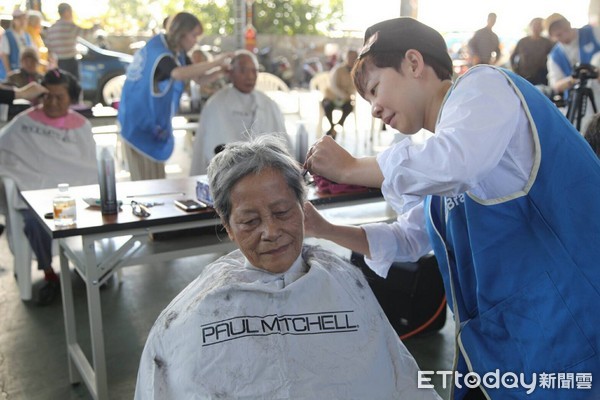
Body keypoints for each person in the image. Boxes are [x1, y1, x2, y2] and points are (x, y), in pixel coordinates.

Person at [303, 17, 600, 399]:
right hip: (505, 342)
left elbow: (457, 163)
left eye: (375, 89)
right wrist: (322, 228)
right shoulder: (440, 165)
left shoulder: (485, 87)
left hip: (571, 329)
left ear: (413, 63)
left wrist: (350, 167)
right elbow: (408, 238)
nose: (375, 109)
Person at [135, 135, 441, 400]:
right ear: (228, 226)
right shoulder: (191, 313)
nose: (270, 231)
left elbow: (402, 383)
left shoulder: (345, 284)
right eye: (249, 221)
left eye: (282, 212)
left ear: (303, 208)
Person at [0, 69, 97, 306]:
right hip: (32, 195)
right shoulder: (24, 122)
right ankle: (49, 274)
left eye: (59, 97)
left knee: (96, 218)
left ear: (71, 99)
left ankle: (93, 269)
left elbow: (89, 165)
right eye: (47, 96)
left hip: (76, 195)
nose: (52, 102)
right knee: (34, 222)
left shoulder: (81, 125)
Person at [118, 12, 231, 181]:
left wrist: (221, 71)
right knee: (145, 182)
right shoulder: (159, 51)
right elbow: (178, 73)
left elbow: (198, 79)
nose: (195, 41)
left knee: (156, 179)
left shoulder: (178, 51)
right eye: (193, 36)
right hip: (138, 122)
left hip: (152, 122)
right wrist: (215, 61)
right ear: (181, 32)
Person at [189, 50, 289, 175]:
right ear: (230, 73)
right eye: (243, 71)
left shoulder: (269, 104)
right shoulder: (215, 105)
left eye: (254, 71)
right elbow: (206, 151)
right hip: (226, 176)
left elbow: (283, 148)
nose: (250, 76)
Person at [545, 13, 600, 131]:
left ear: (569, 24)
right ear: (552, 36)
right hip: (577, 104)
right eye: (558, 35)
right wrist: (576, 78)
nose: (564, 36)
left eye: (565, 30)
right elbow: (556, 85)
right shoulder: (554, 56)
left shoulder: (593, 33)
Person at [44, 3, 98, 80]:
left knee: (63, 84)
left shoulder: (52, 28)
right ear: (66, 12)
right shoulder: (70, 26)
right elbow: (86, 33)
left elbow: (49, 46)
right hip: (70, 61)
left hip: (58, 62)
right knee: (74, 85)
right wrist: (96, 26)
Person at [321, 49, 358, 138]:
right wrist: (343, 94)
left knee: (349, 107)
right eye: (350, 57)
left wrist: (349, 94)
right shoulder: (338, 69)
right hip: (332, 97)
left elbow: (356, 87)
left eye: (354, 57)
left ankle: (335, 128)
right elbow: (333, 86)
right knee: (327, 106)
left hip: (346, 99)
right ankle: (333, 128)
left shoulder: (357, 72)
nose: (352, 59)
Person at [510, 17, 555, 86]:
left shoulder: (547, 43)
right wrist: (515, 71)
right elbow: (512, 57)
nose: (536, 27)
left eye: (539, 25)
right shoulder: (522, 41)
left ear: (542, 28)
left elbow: (553, 58)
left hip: (541, 78)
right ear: (530, 26)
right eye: (534, 25)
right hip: (523, 76)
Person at [0, 9, 33, 79]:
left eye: (24, 19)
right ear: (14, 20)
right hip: (12, 71)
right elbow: (4, 55)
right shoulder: (8, 35)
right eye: (19, 19)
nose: (22, 21)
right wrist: (9, 73)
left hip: (24, 72)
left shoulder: (27, 36)